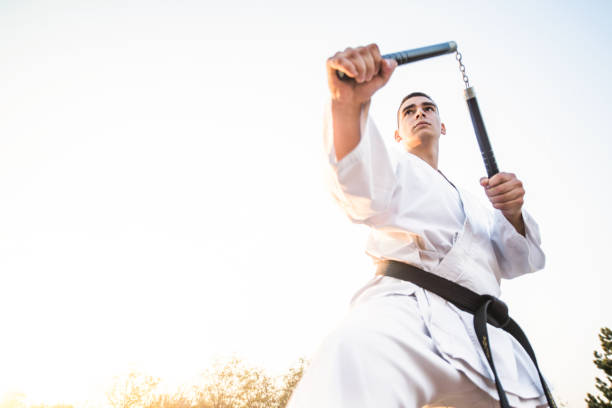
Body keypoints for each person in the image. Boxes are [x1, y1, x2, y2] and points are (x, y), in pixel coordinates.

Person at [287, 44, 550, 408]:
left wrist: (513, 212)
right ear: (397, 133)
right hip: (409, 314)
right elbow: (359, 184)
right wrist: (347, 106)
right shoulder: (392, 167)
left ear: (442, 125)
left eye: (428, 108)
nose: (419, 113)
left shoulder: (476, 201)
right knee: (351, 355)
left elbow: (519, 262)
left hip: (485, 337)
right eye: (409, 111)